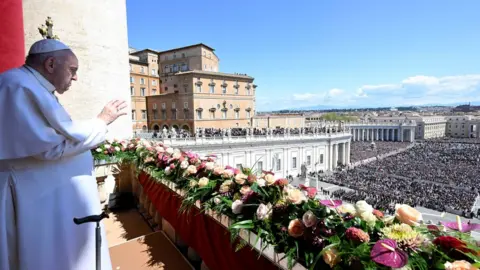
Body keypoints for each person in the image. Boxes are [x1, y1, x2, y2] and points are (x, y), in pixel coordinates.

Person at [0, 39, 127, 270]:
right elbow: (51, 148)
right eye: (73, 70)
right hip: (30, 195)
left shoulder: (29, 85)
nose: (75, 77)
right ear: (50, 64)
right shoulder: (19, 86)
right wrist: (101, 122)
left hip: (40, 194)